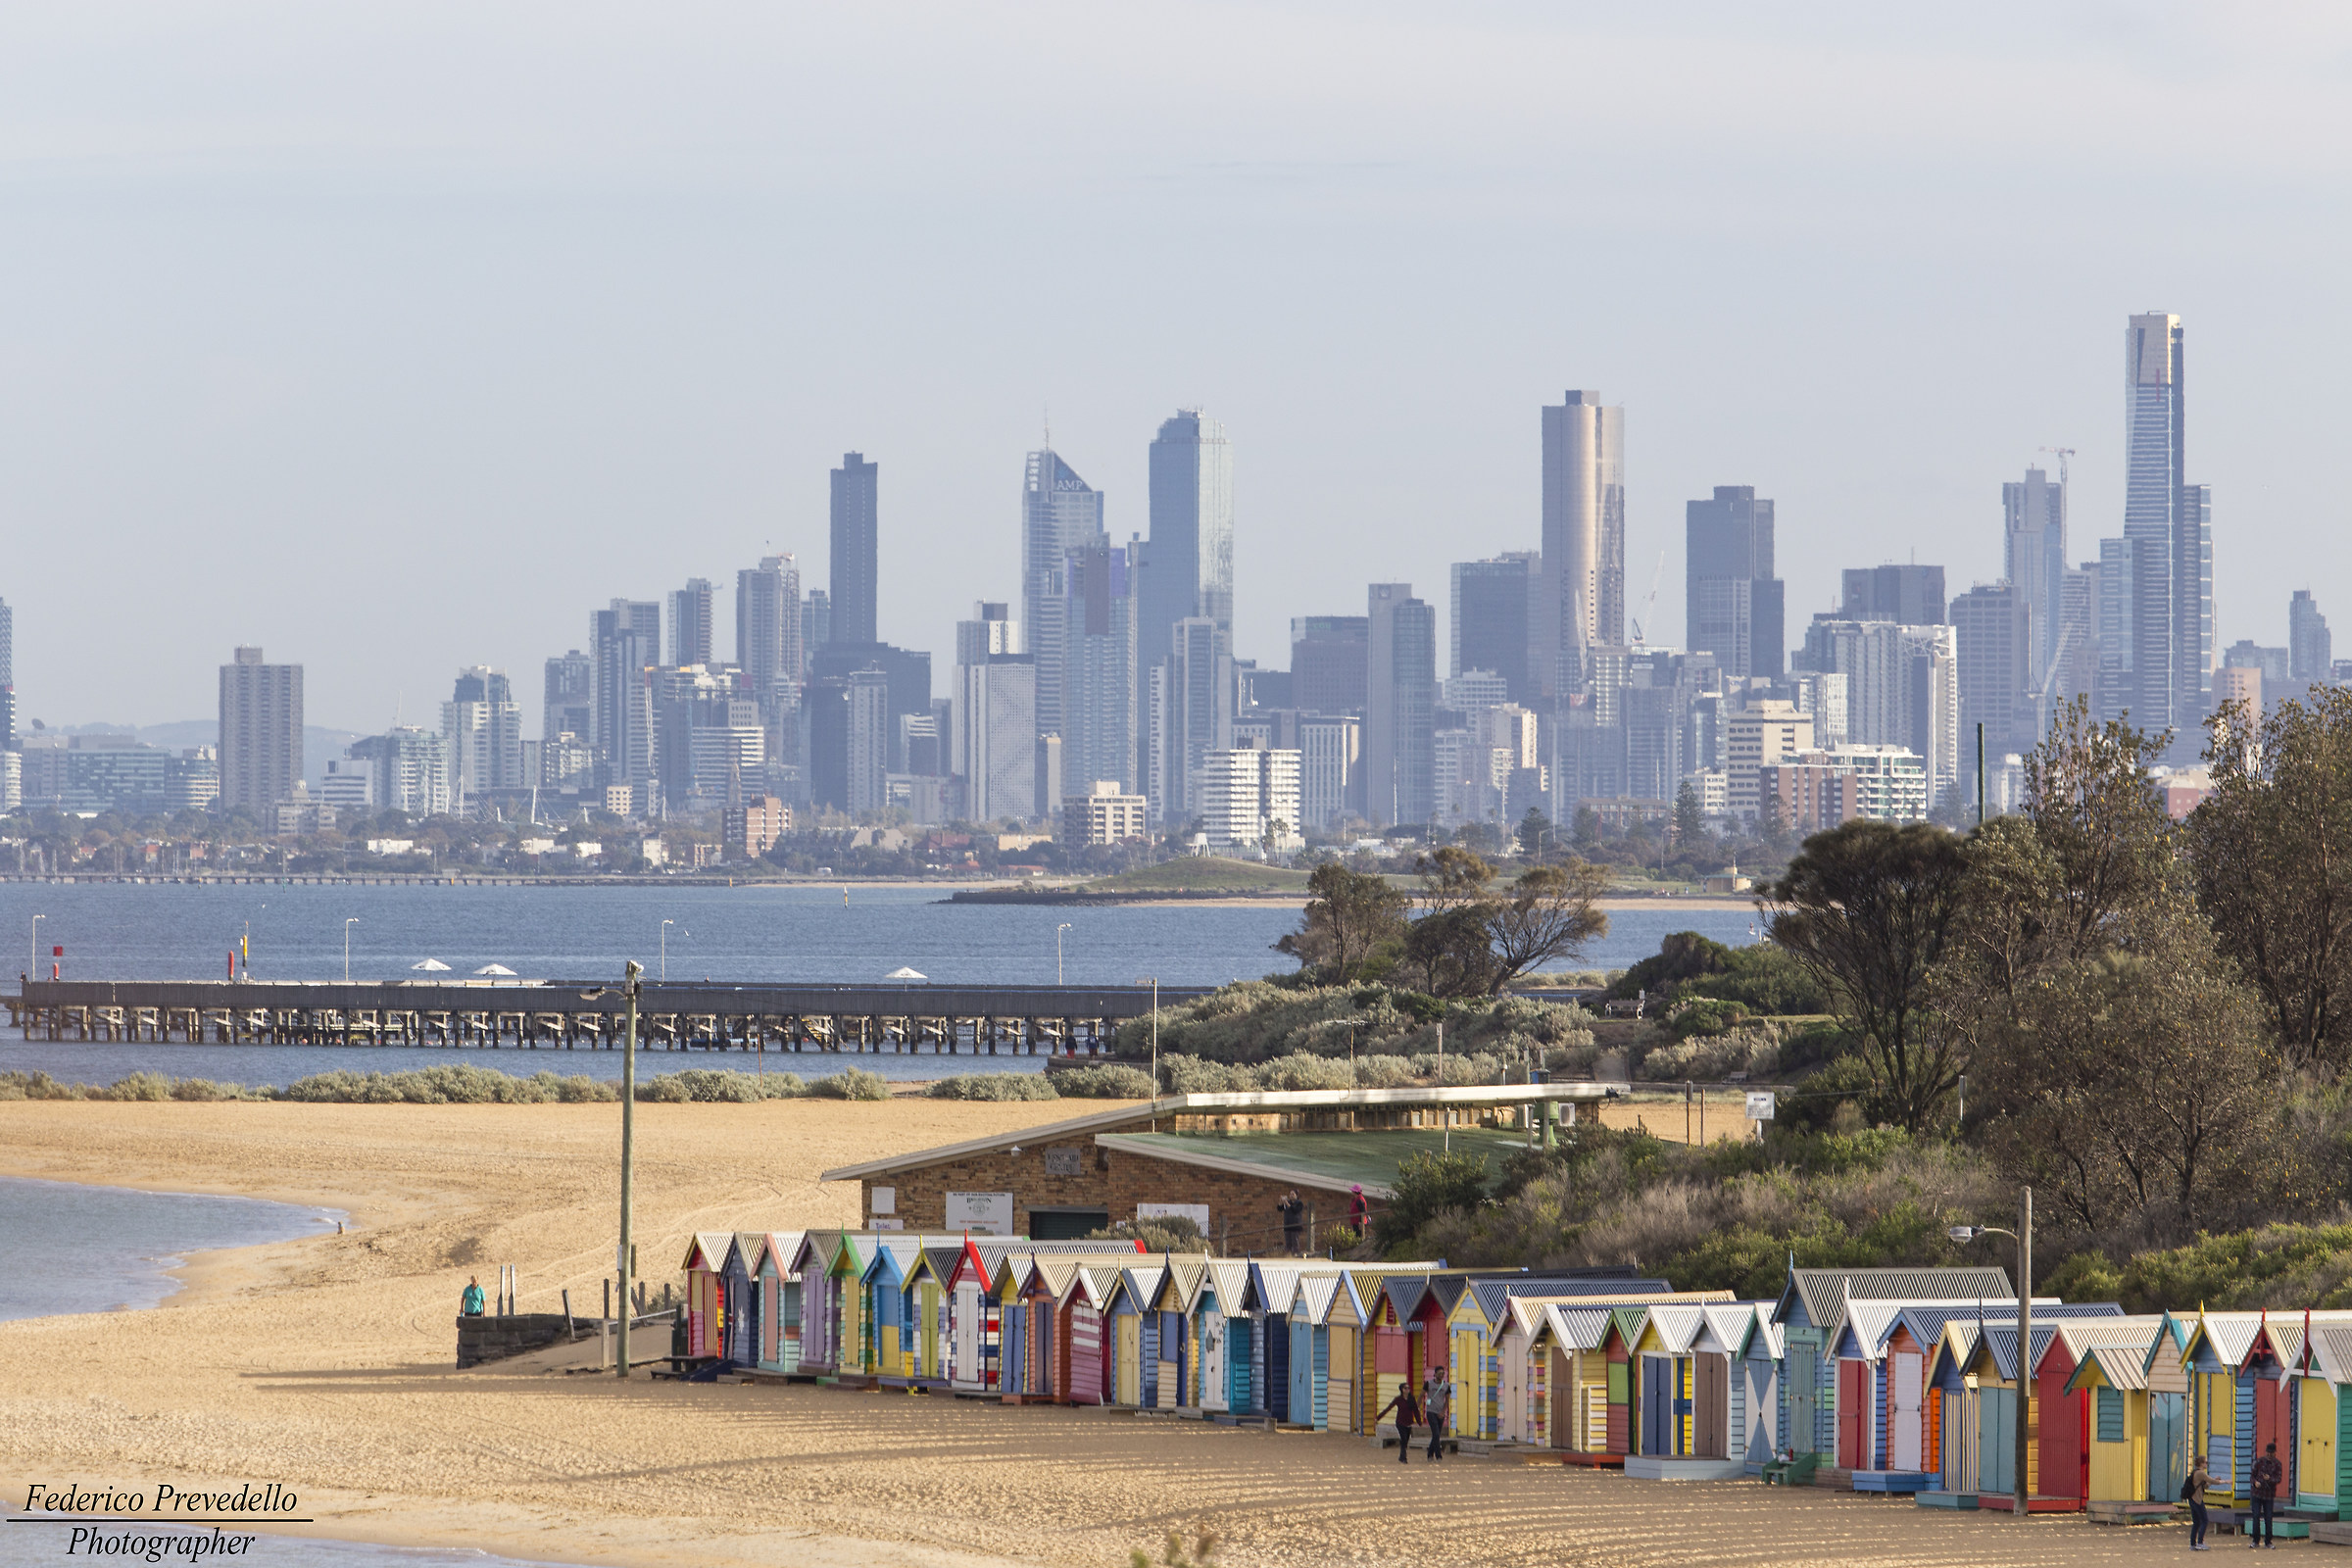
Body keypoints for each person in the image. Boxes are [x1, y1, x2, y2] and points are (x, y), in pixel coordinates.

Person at [1374, 1384, 1423, 1464]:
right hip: (1400, 1422)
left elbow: (1415, 1411)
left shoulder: (1412, 1399)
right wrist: (1378, 1417)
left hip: (1409, 1423)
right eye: (1405, 1388)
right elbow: (1388, 1408)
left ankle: (1401, 1457)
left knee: (1406, 1441)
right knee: (1403, 1439)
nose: (1407, 1390)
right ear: (1402, 1390)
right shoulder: (1398, 1399)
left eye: (1408, 1388)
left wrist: (1419, 1422)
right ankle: (1404, 1458)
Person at [2250, 1442, 2283, 1548]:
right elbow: (2252, 1476)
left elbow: (2278, 1479)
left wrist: (2270, 1479)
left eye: (2271, 1453)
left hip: (2269, 1495)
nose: (2269, 1455)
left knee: (2268, 1518)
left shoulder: (2278, 1464)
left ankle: (2268, 1541)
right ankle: (2255, 1541)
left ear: (2275, 1453)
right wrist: (2255, 1482)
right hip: (2256, 1494)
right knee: (2255, 1517)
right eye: (2267, 1452)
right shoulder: (2259, 1462)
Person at [2184, 1455, 2212, 1550]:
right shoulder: (2200, 1473)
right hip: (2197, 1500)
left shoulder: (2195, 1472)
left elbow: (2205, 1486)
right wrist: (2226, 1481)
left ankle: (2192, 1544)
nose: (2207, 1464)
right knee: (2204, 1520)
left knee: (2196, 1522)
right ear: (2201, 1463)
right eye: (2206, 1462)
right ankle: (2200, 1542)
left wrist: (2213, 1481)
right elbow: (2212, 1481)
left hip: (2192, 1499)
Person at [1422, 1372, 1449, 1461]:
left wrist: (1443, 1411)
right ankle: (1438, 1456)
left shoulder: (1446, 1385)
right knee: (1436, 1433)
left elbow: (1447, 1400)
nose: (1441, 1375)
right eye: (1439, 1373)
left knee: (1436, 1435)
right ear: (1435, 1374)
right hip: (1431, 1411)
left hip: (1440, 1412)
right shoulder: (1428, 1384)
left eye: (1443, 1373)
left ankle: (1430, 1454)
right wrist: (1416, 1408)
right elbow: (1421, 1395)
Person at [1278, 1191, 1306, 1255]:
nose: (1291, 1195)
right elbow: (1279, 1209)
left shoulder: (1299, 1203)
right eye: (1290, 1194)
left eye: (1293, 1194)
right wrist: (1281, 1202)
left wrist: (1286, 1203)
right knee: (1288, 1242)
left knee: (1295, 1242)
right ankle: (1288, 1255)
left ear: (1297, 1195)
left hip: (1295, 1225)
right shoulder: (1288, 1202)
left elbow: (1294, 1210)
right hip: (1287, 1225)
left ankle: (1295, 1254)